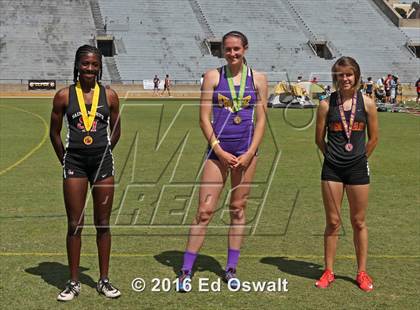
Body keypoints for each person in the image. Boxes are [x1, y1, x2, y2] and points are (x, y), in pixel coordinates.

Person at [177, 31, 267, 292]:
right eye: (227, 49)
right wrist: (218, 148)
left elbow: (261, 120)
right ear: (222, 51)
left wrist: (250, 152)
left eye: (237, 49)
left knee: (238, 209)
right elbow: (204, 118)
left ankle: (231, 269)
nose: (232, 53)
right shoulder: (213, 77)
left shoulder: (258, 79)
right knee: (204, 211)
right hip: (218, 153)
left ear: (245, 49)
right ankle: (185, 270)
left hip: (246, 153)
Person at [50, 45, 121, 301]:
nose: (90, 69)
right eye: (85, 64)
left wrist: (106, 152)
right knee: (75, 224)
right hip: (75, 164)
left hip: (102, 165)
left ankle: (103, 280)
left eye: (94, 64)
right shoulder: (63, 96)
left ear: (99, 67)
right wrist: (66, 160)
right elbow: (54, 133)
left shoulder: (110, 96)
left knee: (103, 224)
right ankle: (73, 282)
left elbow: (116, 130)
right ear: (77, 65)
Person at [315, 56, 379, 292]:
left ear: (356, 76)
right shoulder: (326, 105)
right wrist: (333, 157)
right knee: (332, 222)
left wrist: (360, 159)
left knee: (358, 221)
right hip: (332, 169)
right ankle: (328, 270)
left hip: (358, 169)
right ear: (335, 77)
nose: (345, 79)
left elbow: (374, 139)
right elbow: (319, 139)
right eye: (340, 75)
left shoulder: (368, 104)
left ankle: (361, 272)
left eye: (349, 74)